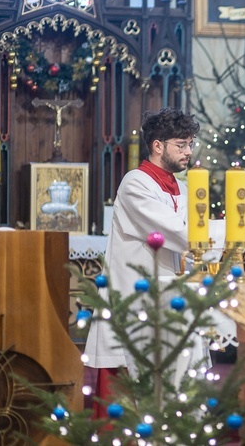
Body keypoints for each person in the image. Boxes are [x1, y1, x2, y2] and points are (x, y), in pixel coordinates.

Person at [83, 108, 200, 417]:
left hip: (168, 295)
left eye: (190, 144)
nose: (188, 151)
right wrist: (229, 230)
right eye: (181, 144)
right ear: (158, 145)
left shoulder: (182, 187)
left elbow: (196, 244)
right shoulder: (136, 183)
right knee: (130, 383)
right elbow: (174, 233)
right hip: (135, 297)